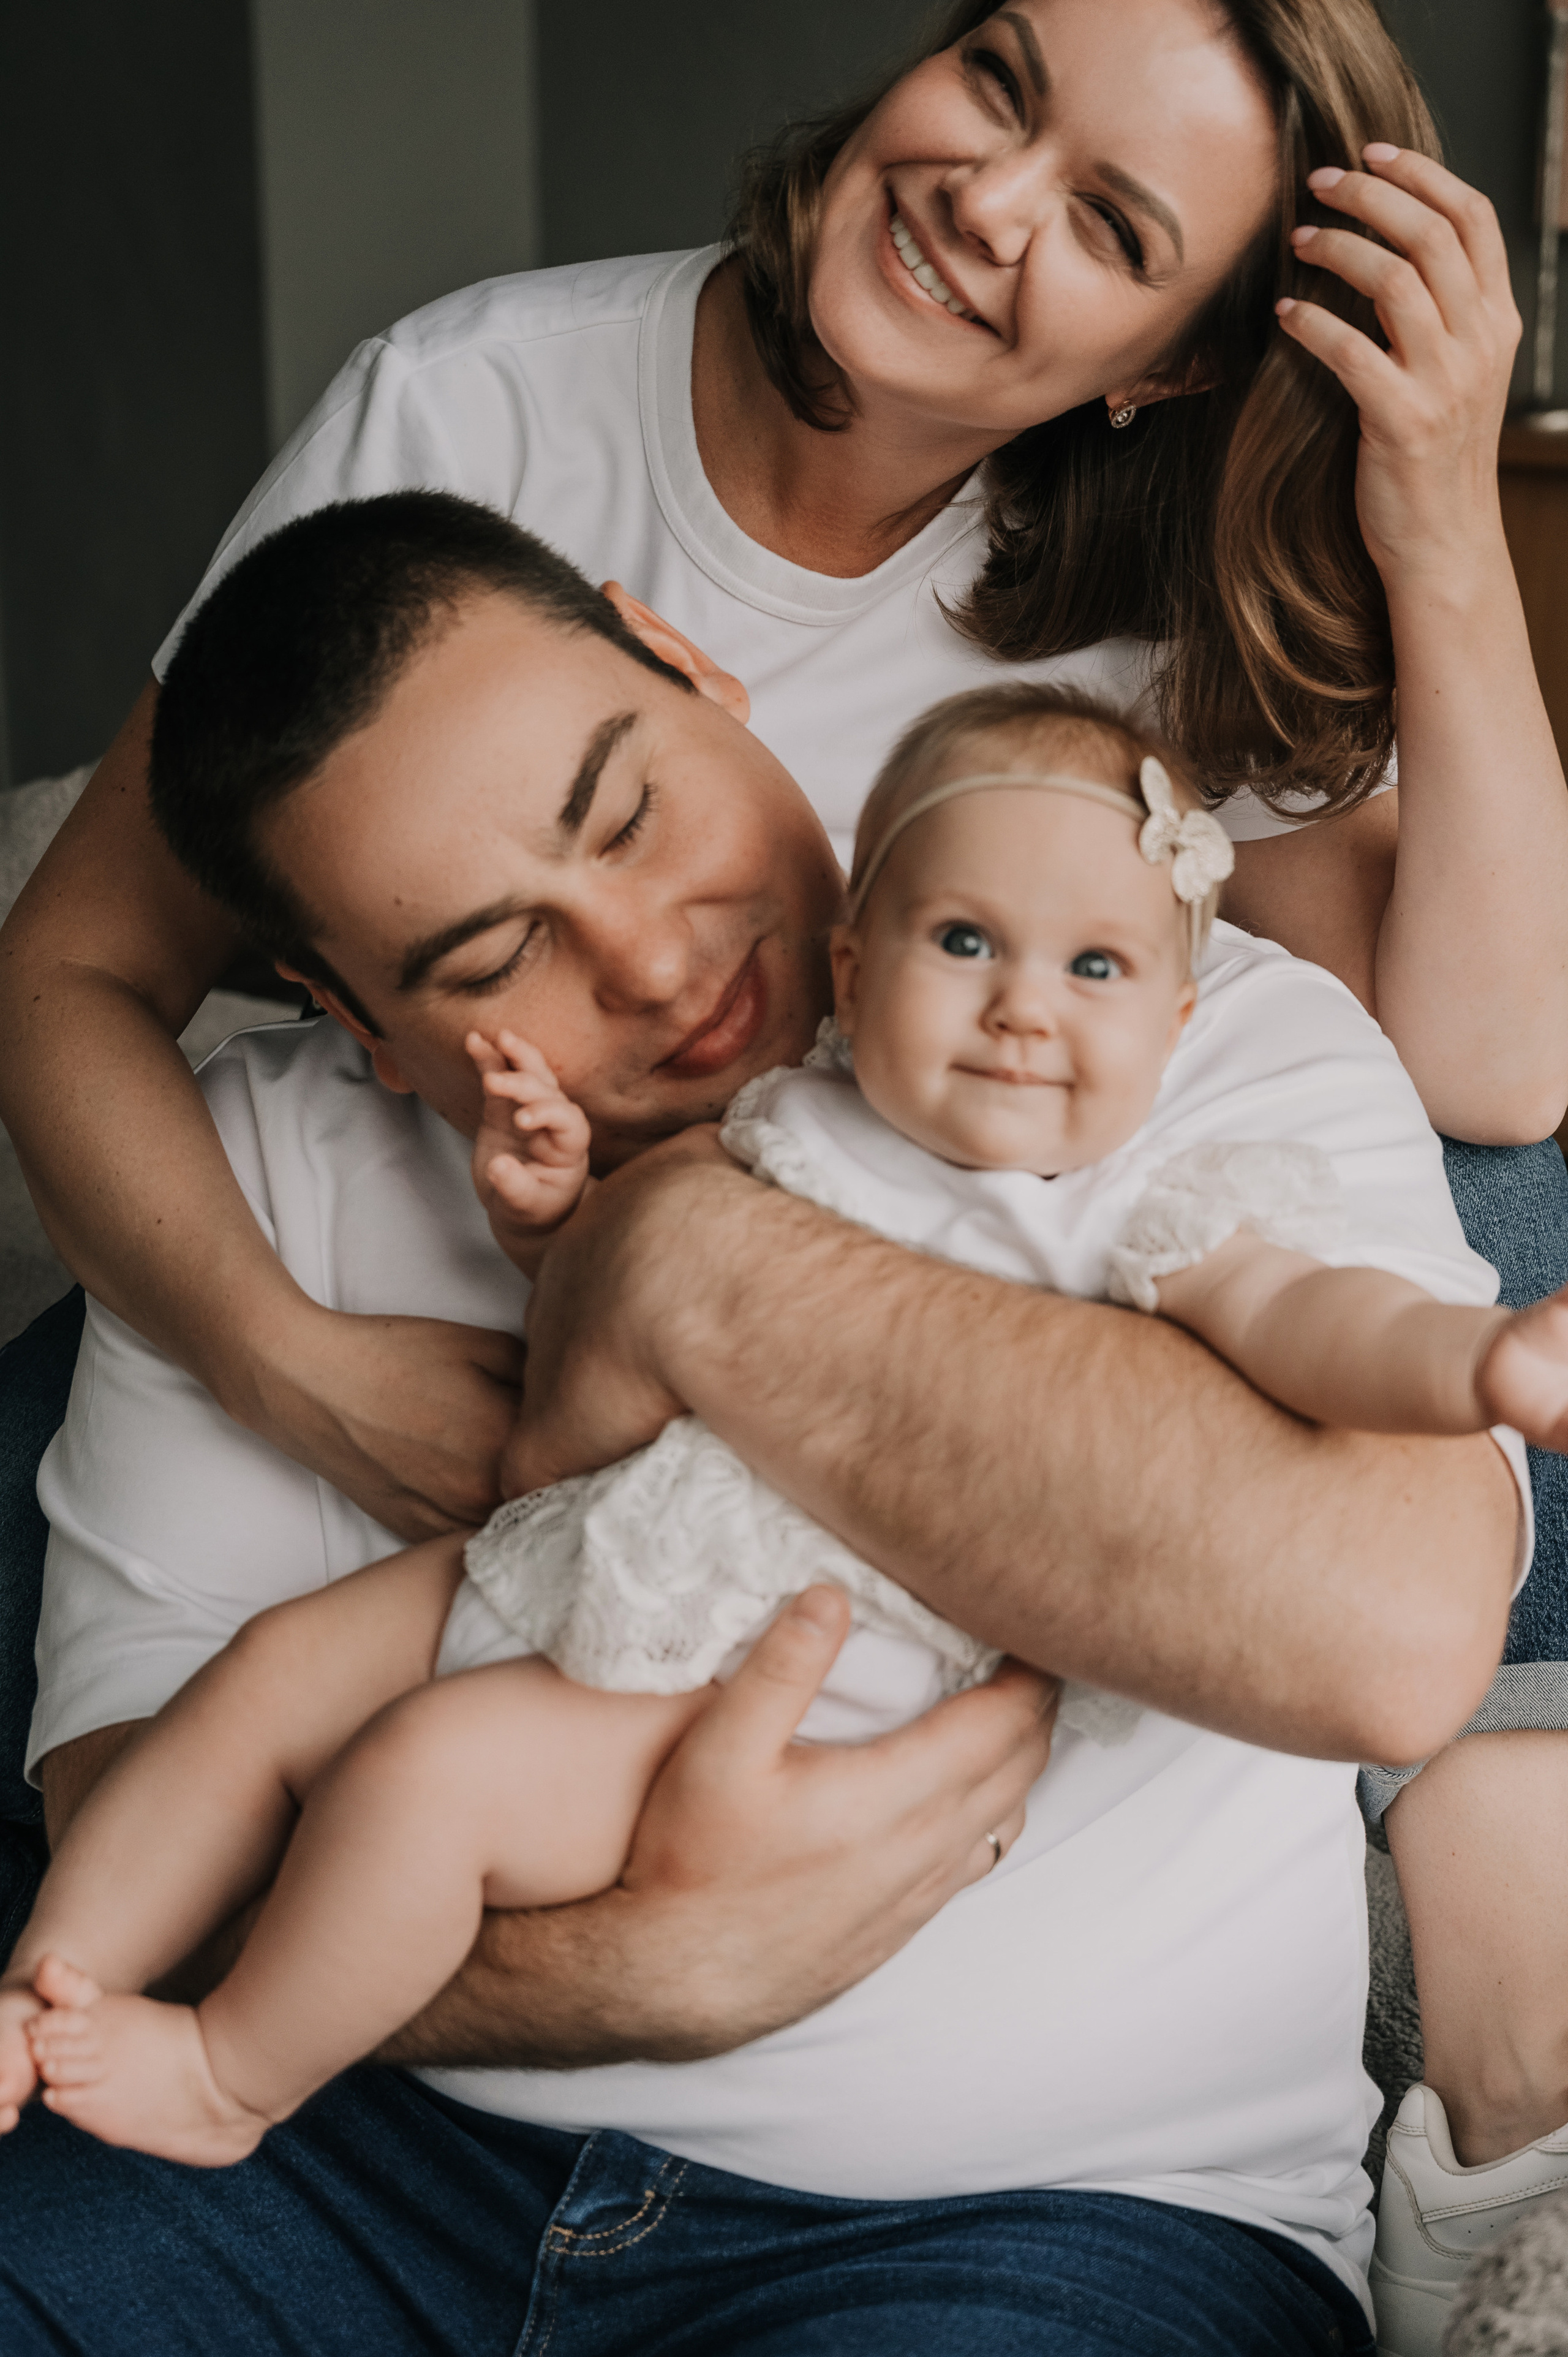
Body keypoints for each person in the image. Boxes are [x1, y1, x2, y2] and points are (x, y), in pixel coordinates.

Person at [0, 0, 1562, 2336]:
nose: (988, 199)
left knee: (1464, 1279)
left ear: (1168, 360)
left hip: (1024, 2120)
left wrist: (1439, 512)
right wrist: (303, 1362)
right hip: (431, 1444)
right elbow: (83, 968)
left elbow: (1492, 1076)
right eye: (1003, 79)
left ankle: (1471, 1852)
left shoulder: (1115, 917)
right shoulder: (472, 409)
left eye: (1114, 223)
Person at [3, 644, 1557, 2190]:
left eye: (1094, 969)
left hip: (785, 1650)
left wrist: (1468, 1363)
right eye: (965, 943)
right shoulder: (796, 1099)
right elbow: (603, 1316)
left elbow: (1309, 1322)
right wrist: (546, 1218)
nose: (1023, 1010)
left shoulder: (1147, 1192)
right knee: (273, 1670)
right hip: (601, 1543)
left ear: (1172, 1013)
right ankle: (46, 1988)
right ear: (857, 966)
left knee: (422, 1783)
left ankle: (229, 2069)